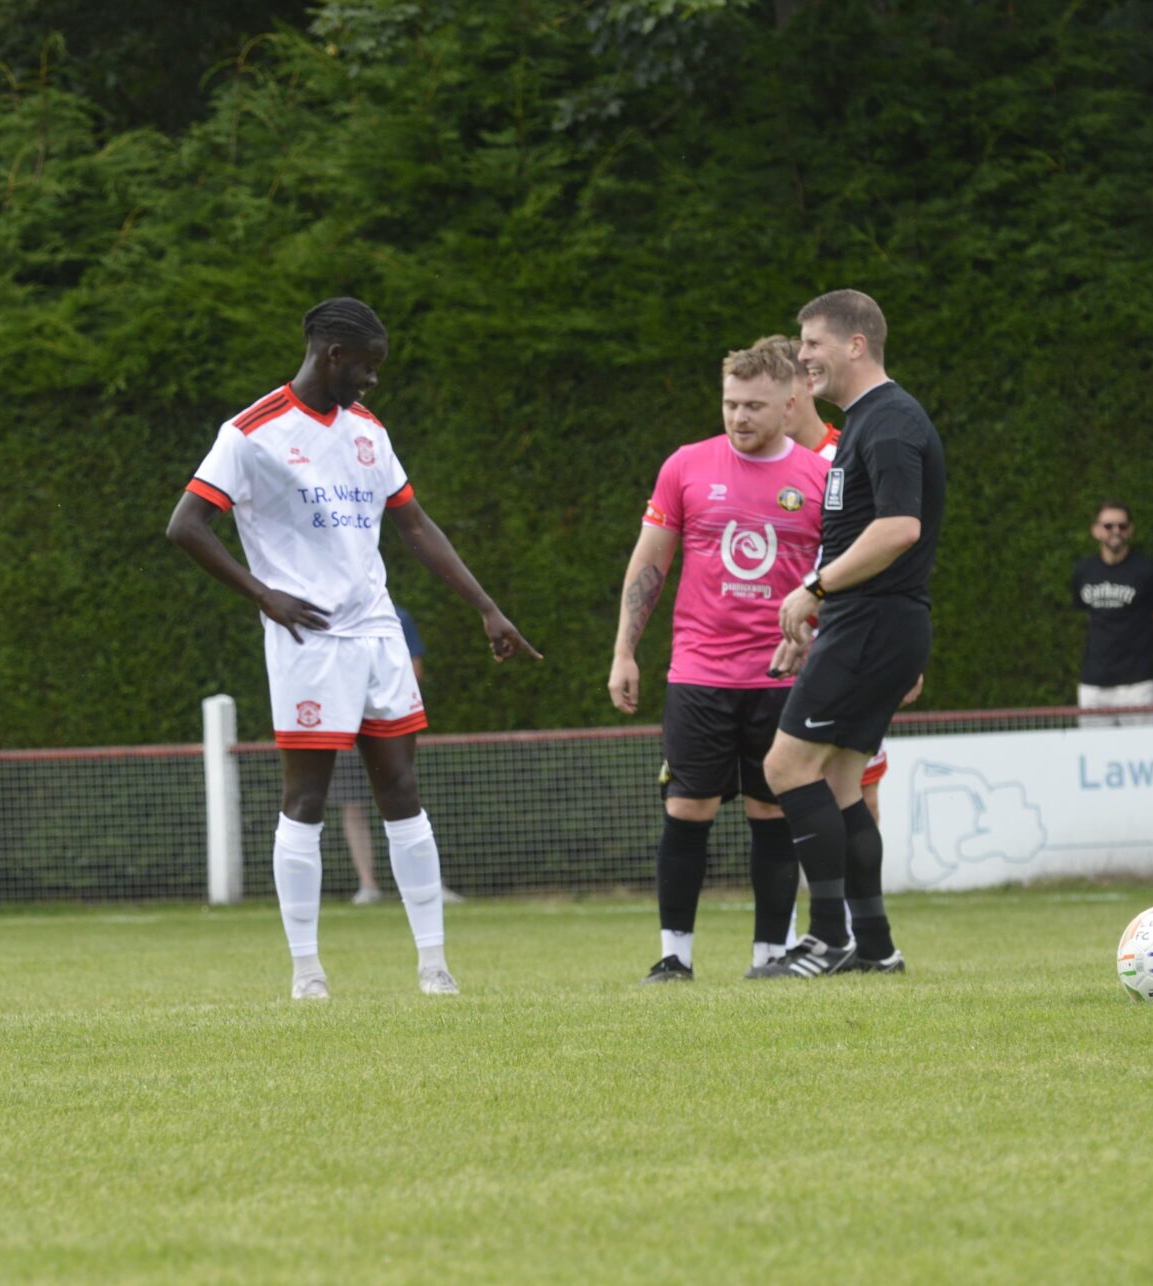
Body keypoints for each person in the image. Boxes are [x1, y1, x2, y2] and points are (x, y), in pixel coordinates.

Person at [167, 297, 540, 1001]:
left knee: (402, 790)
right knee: (304, 799)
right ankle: (307, 972)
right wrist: (264, 596)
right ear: (333, 355)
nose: (372, 381)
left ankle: (434, 966)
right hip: (309, 639)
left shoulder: (369, 431)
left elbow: (416, 527)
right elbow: (185, 525)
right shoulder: (251, 434)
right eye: (366, 367)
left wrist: (486, 607)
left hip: (377, 635)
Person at [607, 343, 829, 982]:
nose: (739, 417)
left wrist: (811, 632)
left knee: (772, 810)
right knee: (687, 809)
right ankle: (674, 956)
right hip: (699, 674)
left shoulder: (818, 479)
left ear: (789, 403)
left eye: (754, 406)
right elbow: (650, 562)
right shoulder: (686, 466)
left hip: (781, 677)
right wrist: (625, 651)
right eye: (730, 403)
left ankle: (771, 957)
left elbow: (839, 577)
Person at [758, 289, 945, 979]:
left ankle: (828, 937)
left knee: (785, 767)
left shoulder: (891, 422)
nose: (803, 355)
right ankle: (875, 946)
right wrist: (818, 610)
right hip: (870, 624)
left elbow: (900, 529)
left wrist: (814, 590)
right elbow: (859, 530)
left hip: (871, 623)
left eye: (811, 343)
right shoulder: (869, 422)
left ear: (855, 344)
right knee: (840, 780)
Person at [760, 333, 892, 810]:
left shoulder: (847, 455)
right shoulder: (746, 465)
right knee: (777, 789)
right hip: (768, 653)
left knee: (855, 789)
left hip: (846, 643)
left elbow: (891, 548)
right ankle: (808, 888)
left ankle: (857, 890)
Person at [334, 604, 440, 906]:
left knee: (407, 803)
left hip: (390, 723)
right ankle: (368, 885)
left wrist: (380, 702)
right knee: (352, 805)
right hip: (345, 727)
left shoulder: (397, 617)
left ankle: (427, 885)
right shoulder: (327, 613)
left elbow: (414, 671)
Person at [1073, 501, 1153, 721]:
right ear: (1096, 530)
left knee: (1144, 754)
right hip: (1093, 684)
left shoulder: (1149, 570)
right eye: (1109, 526)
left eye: (1122, 526)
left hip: (1138, 684)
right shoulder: (1083, 571)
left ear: (1131, 530)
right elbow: (1088, 616)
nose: (1116, 531)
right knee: (1093, 753)